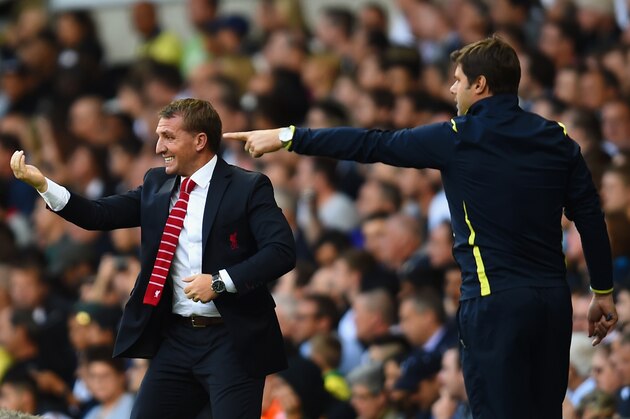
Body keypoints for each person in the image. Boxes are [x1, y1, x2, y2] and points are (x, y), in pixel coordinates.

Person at [223, 36, 618, 418]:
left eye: (459, 80)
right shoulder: (556, 136)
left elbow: (372, 144)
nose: (452, 89)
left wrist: (289, 137)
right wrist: (602, 290)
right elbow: (589, 215)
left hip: (494, 302)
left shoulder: (459, 137)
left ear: (480, 85)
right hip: (552, 302)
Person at [11, 98, 296, 418]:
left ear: (200, 140)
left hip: (232, 339)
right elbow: (98, 214)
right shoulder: (156, 183)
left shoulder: (248, 186)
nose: (159, 147)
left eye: (169, 137)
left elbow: (281, 251)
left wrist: (220, 282)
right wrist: (44, 185)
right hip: (176, 338)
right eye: (159, 137)